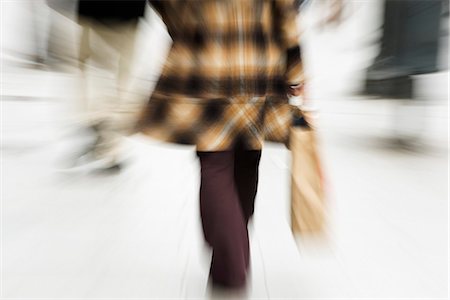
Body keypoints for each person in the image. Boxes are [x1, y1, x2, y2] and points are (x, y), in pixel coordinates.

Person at [137, 0, 305, 289]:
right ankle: (231, 250)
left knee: (214, 160)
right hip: (259, 64)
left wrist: (188, 27)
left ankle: (228, 252)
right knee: (248, 157)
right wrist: (295, 69)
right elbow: (286, 11)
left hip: (205, 64)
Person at [75, 0, 147, 171]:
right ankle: (111, 145)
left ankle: (98, 123)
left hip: (94, 12)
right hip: (129, 13)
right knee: (123, 76)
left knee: (94, 71)